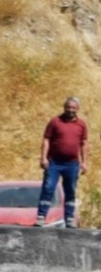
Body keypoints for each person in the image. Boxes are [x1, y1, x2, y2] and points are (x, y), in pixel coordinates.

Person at [37, 96, 88, 228]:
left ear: (77, 109)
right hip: (54, 163)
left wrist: (84, 162)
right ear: (64, 107)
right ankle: (41, 216)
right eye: (68, 107)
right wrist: (43, 158)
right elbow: (46, 140)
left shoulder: (81, 124)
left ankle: (69, 218)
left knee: (70, 190)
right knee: (48, 188)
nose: (70, 110)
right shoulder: (55, 122)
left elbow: (84, 143)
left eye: (73, 108)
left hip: (72, 164)